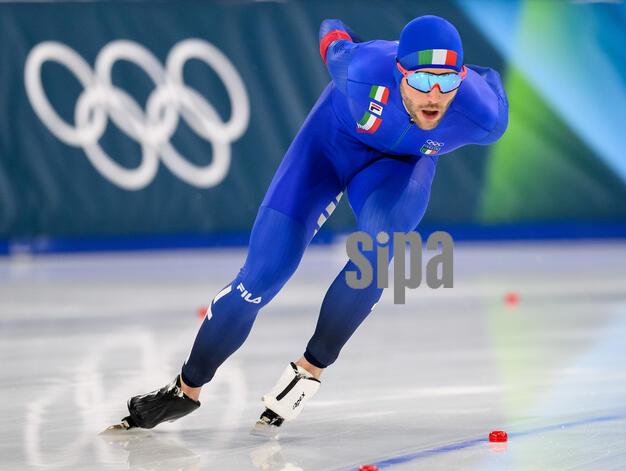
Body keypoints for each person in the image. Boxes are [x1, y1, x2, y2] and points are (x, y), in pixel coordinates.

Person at [109, 15, 508, 432]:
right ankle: (186, 389)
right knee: (260, 277)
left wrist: (469, 81)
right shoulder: (362, 68)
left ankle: (309, 370)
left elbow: (491, 79)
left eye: (447, 82)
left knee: (378, 252)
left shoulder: (482, 115)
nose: (435, 96)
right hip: (327, 146)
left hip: (399, 168)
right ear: (398, 72)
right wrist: (338, 30)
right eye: (423, 81)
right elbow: (332, 33)